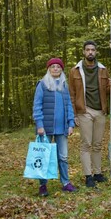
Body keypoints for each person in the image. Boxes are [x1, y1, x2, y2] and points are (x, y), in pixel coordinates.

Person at [68, 40, 111, 188]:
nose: (90, 52)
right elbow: (71, 94)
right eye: (87, 50)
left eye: (93, 50)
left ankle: (98, 173)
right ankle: (88, 176)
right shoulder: (74, 71)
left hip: (100, 110)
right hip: (84, 110)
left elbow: (108, 92)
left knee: (97, 144)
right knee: (86, 144)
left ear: (96, 52)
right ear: (83, 52)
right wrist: (74, 114)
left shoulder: (102, 69)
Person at [32, 58, 77, 196]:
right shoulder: (42, 85)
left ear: (61, 69)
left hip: (61, 128)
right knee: (44, 156)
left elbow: (69, 105)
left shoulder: (64, 85)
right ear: (49, 69)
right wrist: (39, 125)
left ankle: (65, 183)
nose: (56, 69)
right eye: (53, 67)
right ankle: (43, 186)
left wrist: (71, 123)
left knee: (63, 157)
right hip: (45, 129)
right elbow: (37, 106)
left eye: (58, 67)